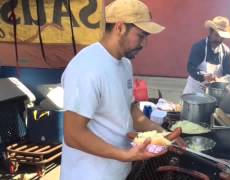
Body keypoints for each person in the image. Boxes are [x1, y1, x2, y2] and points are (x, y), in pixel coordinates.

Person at [60, 0, 177, 179]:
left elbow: (130, 110)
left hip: (119, 172)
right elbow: (73, 134)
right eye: (141, 35)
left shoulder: (125, 64)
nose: (144, 44)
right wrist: (125, 155)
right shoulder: (86, 68)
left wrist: (163, 134)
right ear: (120, 27)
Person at [183, 16, 230, 94]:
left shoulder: (225, 51)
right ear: (210, 32)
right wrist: (204, 76)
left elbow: (228, 73)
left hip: (213, 94)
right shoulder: (199, 47)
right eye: (216, 35)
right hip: (193, 92)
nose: (219, 39)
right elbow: (191, 68)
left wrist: (220, 81)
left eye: (222, 37)